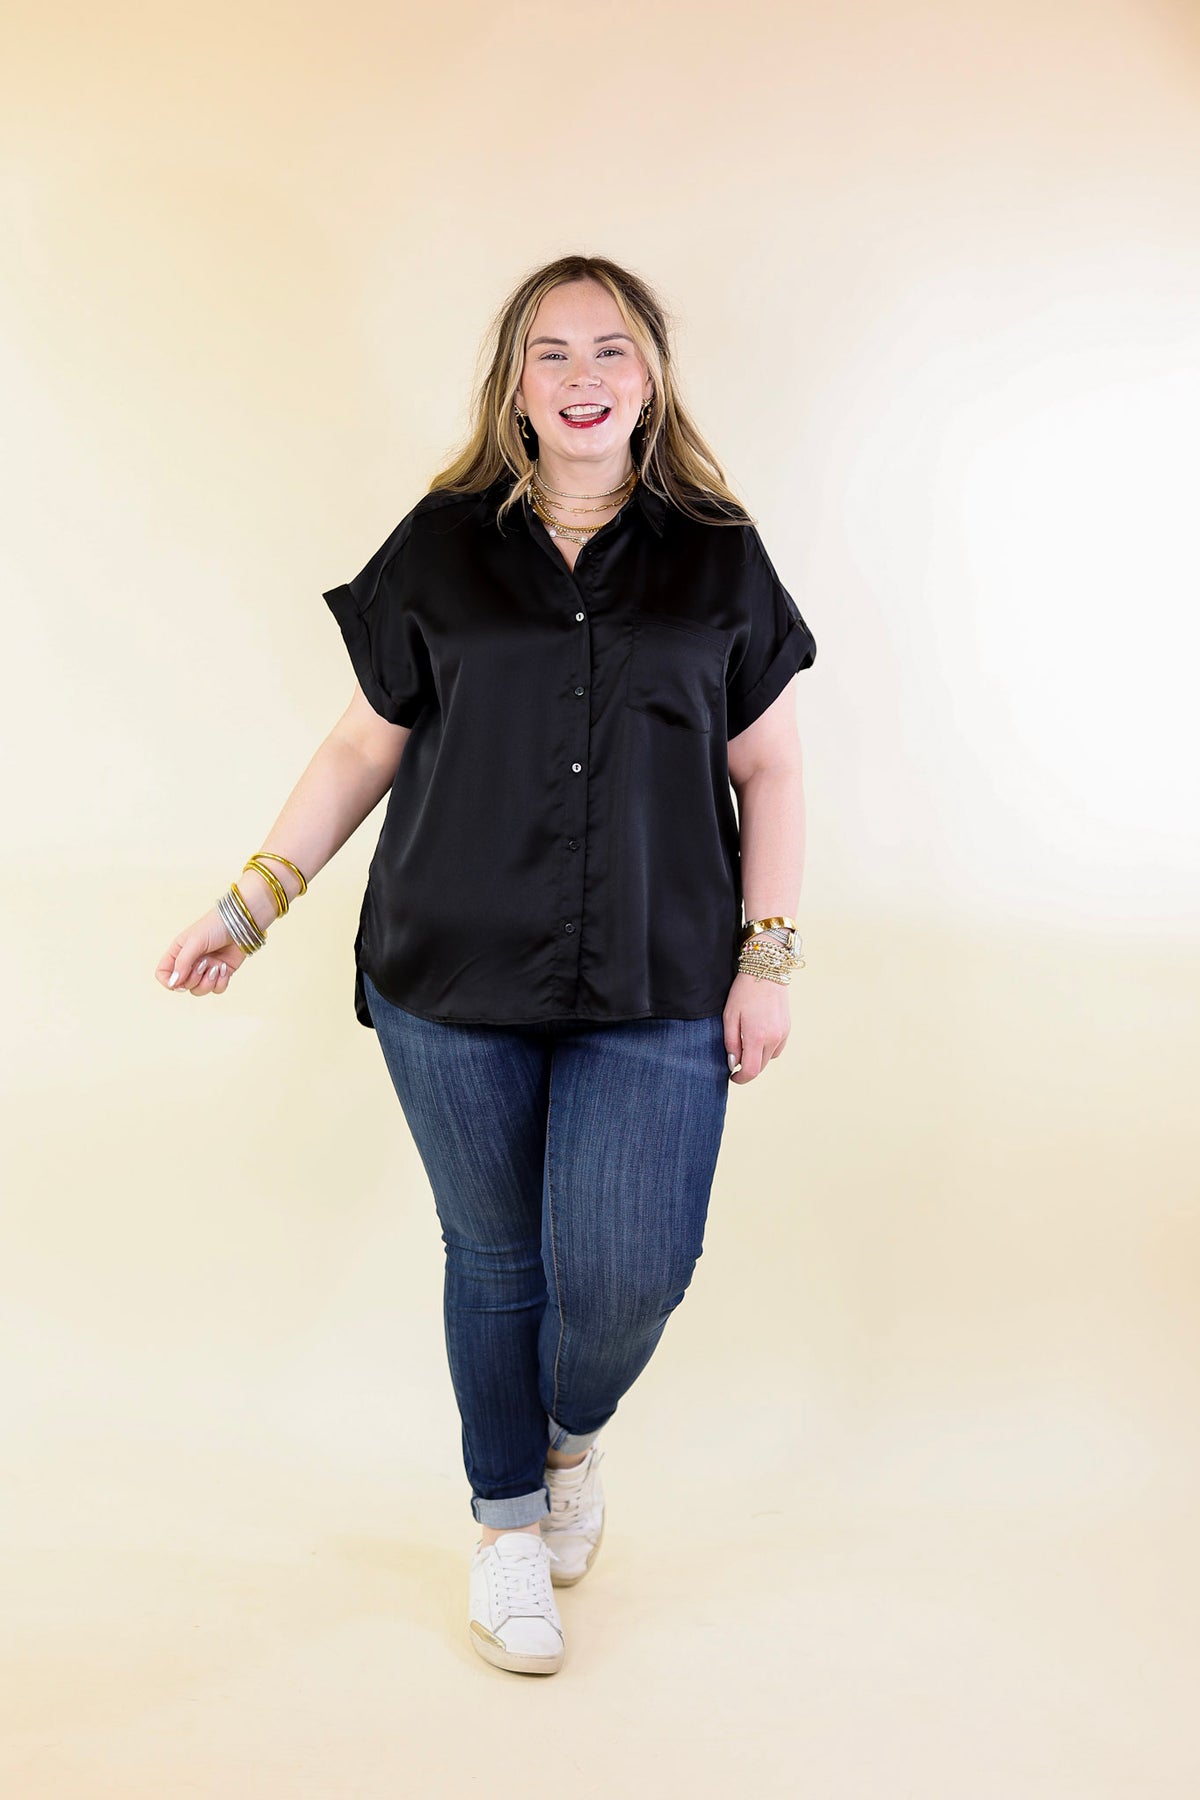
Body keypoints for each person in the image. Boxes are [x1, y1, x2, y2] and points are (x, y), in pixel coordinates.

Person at [156, 253, 817, 1678]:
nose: (583, 378)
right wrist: (250, 903)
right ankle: (507, 1522)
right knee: (498, 1256)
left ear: (651, 376)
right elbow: (362, 744)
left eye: (611, 349)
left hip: (659, 973)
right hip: (449, 974)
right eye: (551, 353)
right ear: (514, 385)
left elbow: (767, 767)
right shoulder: (443, 543)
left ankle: (568, 1436)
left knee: (629, 1273)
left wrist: (766, 958)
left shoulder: (719, 551)